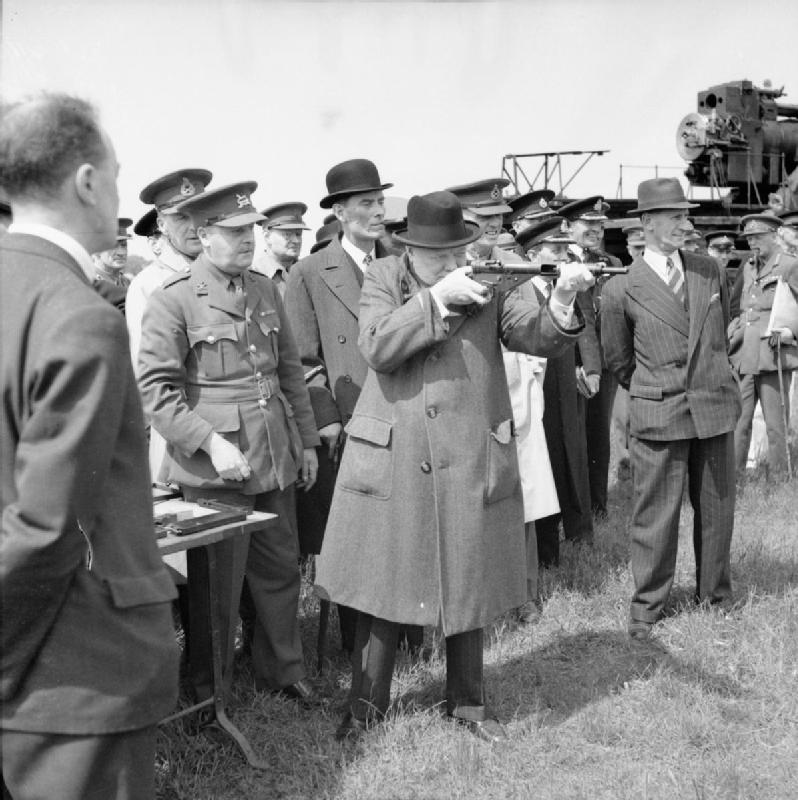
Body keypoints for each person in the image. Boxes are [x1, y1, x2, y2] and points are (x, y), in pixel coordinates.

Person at [316, 191, 592, 743]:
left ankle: (467, 704)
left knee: (470, 581)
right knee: (382, 582)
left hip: (469, 451)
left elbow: (531, 333)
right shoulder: (384, 277)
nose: (451, 264)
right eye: (437, 257)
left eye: (455, 254)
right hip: (394, 450)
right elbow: (377, 346)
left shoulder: (485, 280)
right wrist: (436, 301)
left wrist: (560, 300)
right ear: (411, 249)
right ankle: (367, 705)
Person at [0, 92, 179, 800]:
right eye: (114, 171)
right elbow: (48, 528)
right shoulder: (78, 313)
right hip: (71, 671)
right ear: (85, 181)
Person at [137, 182, 320, 703]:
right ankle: (207, 691)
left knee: (279, 571)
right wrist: (210, 443)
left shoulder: (263, 289)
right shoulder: (173, 300)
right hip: (215, 468)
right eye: (234, 231)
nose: (248, 239)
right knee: (216, 587)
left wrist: (305, 441)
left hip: (272, 455)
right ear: (202, 235)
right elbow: (157, 391)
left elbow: (289, 372)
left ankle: (282, 671)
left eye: (251, 230)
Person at [601, 178, 742, 640]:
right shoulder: (622, 287)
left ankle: (714, 595)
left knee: (717, 509)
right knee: (655, 513)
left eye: (687, 215)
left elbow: (720, 334)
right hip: (660, 413)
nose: (686, 223)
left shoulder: (708, 270)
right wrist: (657, 389)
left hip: (714, 408)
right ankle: (648, 607)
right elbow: (620, 361)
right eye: (675, 216)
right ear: (646, 223)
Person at [284, 158, 401, 653]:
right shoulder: (309, 272)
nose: (378, 212)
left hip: (402, 413)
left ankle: (405, 633)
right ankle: (359, 643)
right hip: (350, 426)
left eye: (380, 202)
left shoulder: (401, 263)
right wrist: (327, 420)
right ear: (339, 210)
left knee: (400, 529)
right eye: (365, 204)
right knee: (355, 537)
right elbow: (303, 358)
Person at [516, 216, 594, 566]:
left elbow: (583, 328)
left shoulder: (559, 286)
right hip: (529, 391)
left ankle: (567, 537)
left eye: (566, 249)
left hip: (562, 383)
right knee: (536, 467)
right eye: (555, 250)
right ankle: (543, 550)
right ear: (533, 254)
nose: (563, 258)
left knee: (566, 457)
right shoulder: (519, 289)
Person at [126, 168, 212, 480]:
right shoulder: (149, 285)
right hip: (181, 443)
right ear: (161, 224)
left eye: (199, 213)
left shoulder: (230, 275)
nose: (193, 227)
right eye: (180, 218)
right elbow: (149, 381)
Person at [559, 196, 621, 519]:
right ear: (568, 226)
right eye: (588, 223)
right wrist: (582, 364)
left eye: (600, 224)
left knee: (599, 436)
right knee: (571, 436)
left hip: (605, 363)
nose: (595, 230)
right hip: (569, 361)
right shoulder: (559, 259)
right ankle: (573, 508)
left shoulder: (609, 262)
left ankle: (597, 507)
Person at [727, 213, 798, 476]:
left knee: (775, 424)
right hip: (744, 353)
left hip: (773, 353)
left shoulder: (790, 265)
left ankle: (781, 479)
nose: (752, 242)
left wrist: (791, 331)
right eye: (748, 238)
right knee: (739, 421)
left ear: (774, 235)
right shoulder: (749, 266)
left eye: (757, 237)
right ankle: (733, 480)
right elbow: (740, 305)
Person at [251, 202, 310, 297]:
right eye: (287, 235)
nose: (296, 240)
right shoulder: (252, 277)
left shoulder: (308, 272)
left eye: (298, 234)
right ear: (267, 237)